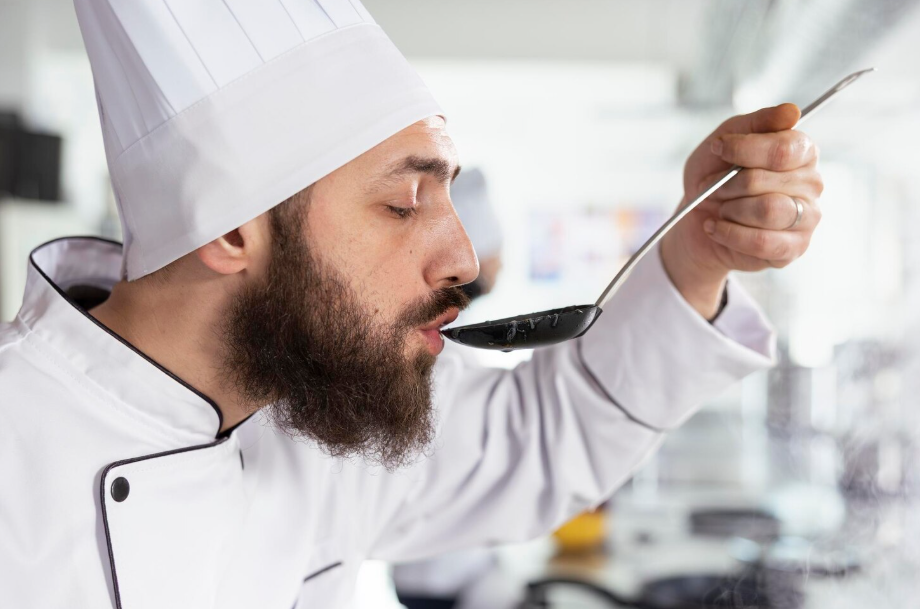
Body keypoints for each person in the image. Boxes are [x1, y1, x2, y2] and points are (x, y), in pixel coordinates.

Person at [0, 1, 823, 607]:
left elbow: (540, 437)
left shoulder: (317, 397)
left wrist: (696, 254)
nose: (464, 259)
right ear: (229, 228)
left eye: (448, 194)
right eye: (403, 203)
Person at [392, 168, 504, 609]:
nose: (498, 264)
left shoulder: (459, 342)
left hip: (450, 568)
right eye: (496, 251)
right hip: (439, 576)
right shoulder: (439, 351)